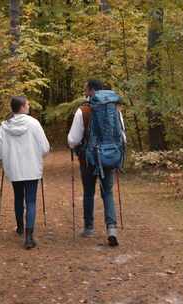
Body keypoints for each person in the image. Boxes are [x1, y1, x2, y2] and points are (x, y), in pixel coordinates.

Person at [67, 80, 126, 247]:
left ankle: (89, 227)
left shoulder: (83, 110)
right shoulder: (115, 109)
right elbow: (123, 137)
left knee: (88, 192)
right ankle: (112, 229)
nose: (84, 90)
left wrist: (74, 146)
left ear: (91, 90)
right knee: (107, 192)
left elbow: (73, 139)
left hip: (88, 158)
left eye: (86, 88)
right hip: (109, 156)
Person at [0, 96, 50, 249]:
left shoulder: (5, 125)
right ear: (23, 106)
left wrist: (4, 159)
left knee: (19, 197)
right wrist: (38, 156)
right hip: (32, 169)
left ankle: (20, 228)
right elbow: (45, 148)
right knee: (31, 201)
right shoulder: (34, 123)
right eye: (28, 104)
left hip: (14, 169)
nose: (29, 106)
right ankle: (29, 237)